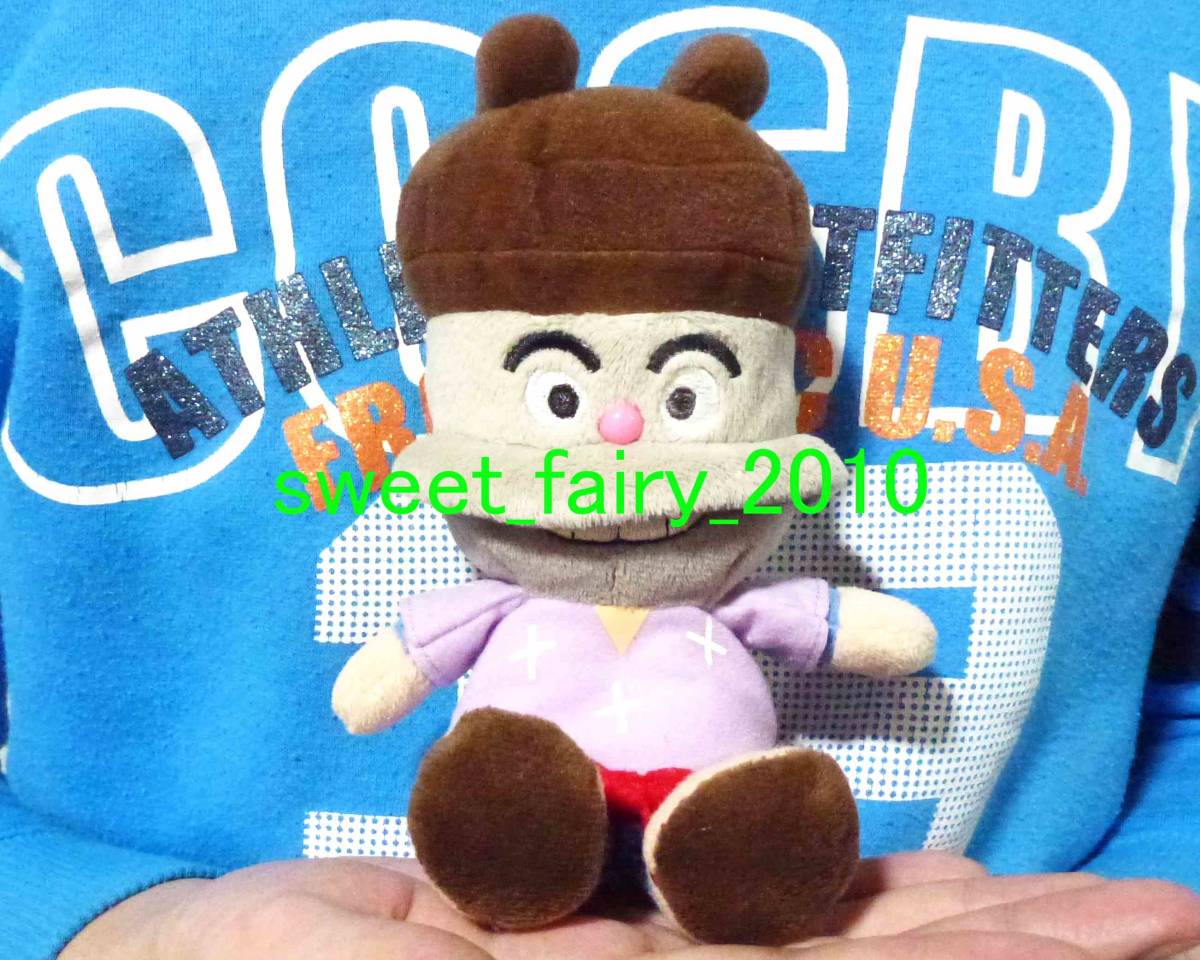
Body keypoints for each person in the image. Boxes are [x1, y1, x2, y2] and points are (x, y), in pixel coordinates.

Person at [1, 1, 1198, 958]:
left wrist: (1171, 896)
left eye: (680, 398)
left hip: (977, 896)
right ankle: (517, 822)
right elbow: (394, 671)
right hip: (189, 909)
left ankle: (733, 839)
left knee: (738, 815)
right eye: (566, 399)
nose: (621, 431)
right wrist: (91, 920)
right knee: (510, 785)